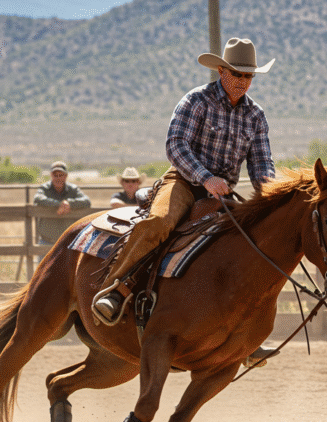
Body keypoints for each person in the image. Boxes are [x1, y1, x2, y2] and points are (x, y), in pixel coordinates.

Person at [93, 37, 276, 324]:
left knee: (249, 243)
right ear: (222, 72)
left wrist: (272, 197)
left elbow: (261, 163)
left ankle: (241, 328)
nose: (243, 81)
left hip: (222, 192)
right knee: (160, 222)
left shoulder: (255, 115)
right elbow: (176, 145)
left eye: (248, 76)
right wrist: (206, 178)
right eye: (237, 74)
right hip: (184, 182)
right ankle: (116, 289)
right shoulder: (197, 100)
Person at [33, 161, 91, 244]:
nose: (58, 178)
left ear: (66, 176)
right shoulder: (44, 188)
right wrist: (59, 204)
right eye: (55, 175)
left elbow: (86, 201)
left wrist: (69, 203)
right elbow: (38, 198)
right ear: (51, 175)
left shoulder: (73, 189)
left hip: (69, 241)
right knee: (43, 257)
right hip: (47, 240)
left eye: (61, 175)